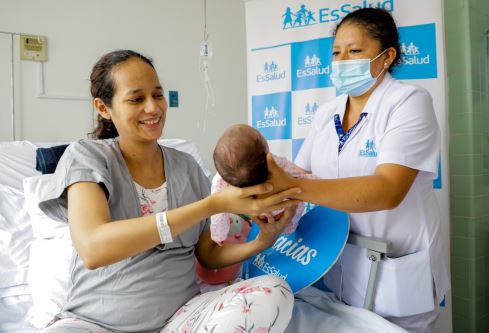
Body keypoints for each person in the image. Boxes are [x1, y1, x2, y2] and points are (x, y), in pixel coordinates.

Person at [39, 50, 301, 333]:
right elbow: (93, 248)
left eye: (158, 95)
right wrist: (210, 206)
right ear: (103, 108)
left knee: (275, 292)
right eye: (137, 99)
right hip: (94, 323)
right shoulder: (87, 156)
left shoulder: (186, 167)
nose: (153, 108)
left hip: (179, 321)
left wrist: (263, 240)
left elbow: (208, 255)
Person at [266, 8, 450, 333]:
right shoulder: (326, 114)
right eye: (336, 52)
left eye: (354, 51)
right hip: (338, 266)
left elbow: (387, 189)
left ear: (386, 56)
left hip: (397, 271)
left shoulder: (408, 102)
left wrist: (292, 186)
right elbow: (301, 171)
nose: (342, 61)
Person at [195, 124, 312, 286]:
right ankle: (290, 226)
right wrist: (313, 184)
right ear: (266, 151)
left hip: (259, 218)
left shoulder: (220, 181)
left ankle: (289, 225)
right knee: (295, 204)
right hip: (281, 207)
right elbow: (299, 178)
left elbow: (217, 214)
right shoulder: (276, 164)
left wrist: (219, 235)